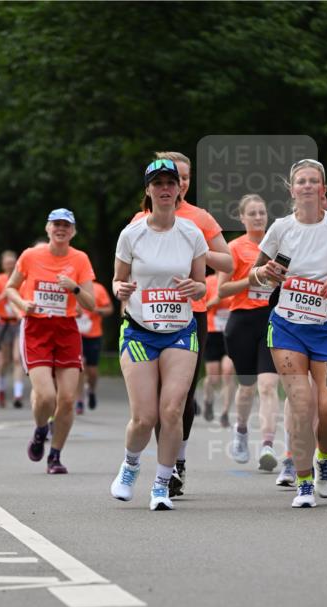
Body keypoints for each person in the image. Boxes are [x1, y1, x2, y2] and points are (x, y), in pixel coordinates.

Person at [249, 159, 327, 507]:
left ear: (323, 190)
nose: (306, 186)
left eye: (313, 181)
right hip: (287, 327)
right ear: (291, 189)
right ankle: (303, 483)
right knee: (302, 406)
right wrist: (266, 273)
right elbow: (256, 274)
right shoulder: (281, 229)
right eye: (300, 181)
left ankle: (323, 459)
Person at [131, 150, 233, 496]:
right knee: (154, 399)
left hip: (191, 313)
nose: (181, 183)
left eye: (185, 178)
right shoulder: (140, 218)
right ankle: (162, 465)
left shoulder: (199, 218)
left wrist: (196, 249)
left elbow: (229, 263)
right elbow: (127, 266)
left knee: (180, 397)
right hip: (147, 317)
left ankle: (177, 463)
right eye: (176, 177)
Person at [111, 158, 207, 511]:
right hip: (139, 332)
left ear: (180, 190)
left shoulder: (191, 234)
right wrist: (120, 289)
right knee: (144, 417)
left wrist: (195, 288)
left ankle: (162, 485)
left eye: (171, 183)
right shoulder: (131, 234)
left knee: (172, 410)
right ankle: (131, 464)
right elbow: (117, 279)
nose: (166, 189)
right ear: (148, 190)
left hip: (181, 332)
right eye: (158, 183)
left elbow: (201, 286)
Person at [5, 208, 95, 474]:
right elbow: (9, 288)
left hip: (66, 329)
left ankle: (55, 456)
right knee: (46, 396)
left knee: (67, 399)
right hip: (36, 327)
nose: (60, 229)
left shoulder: (80, 260)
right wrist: (24, 304)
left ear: (73, 232)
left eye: (66, 226)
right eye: (56, 224)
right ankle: (41, 429)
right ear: (48, 229)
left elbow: (90, 303)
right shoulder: (31, 256)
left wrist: (74, 288)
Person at [217, 195, 281, 471]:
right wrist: (253, 278)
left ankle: (267, 444)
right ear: (242, 218)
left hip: (271, 320)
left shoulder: (279, 246)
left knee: (268, 385)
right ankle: (241, 430)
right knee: (246, 388)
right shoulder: (234, 248)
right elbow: (221, 290)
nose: (258, 217)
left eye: (262, 212)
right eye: (252, 213)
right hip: (241, 322)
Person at [0, 250, 25, 407]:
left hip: (17, 322)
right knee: (4, 361)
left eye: (12, 263)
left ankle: (18, 394)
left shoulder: (22, 280)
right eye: (7, 263)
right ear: (2, 264)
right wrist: (6, 294)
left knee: (17, 359)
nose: (10, 265)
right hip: (3, 322)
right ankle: (1, 387)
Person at [75, 280, 113, 413]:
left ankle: (91, 390)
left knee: (92, 371)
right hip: (75, 334)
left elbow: (109, 309)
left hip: (94, 334)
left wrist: (97, 310)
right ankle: (79, 400)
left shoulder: (98, 288)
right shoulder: (70, 287)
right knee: (80, 366)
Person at [203, 272, 235, 427]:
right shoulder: (208, 282)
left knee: (228, 371)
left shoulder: (236, 281)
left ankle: (225, 413)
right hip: (212, 332)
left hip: (231, 332)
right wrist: (217, 299)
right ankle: (208, 401)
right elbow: (201, 306)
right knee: (213, 378)